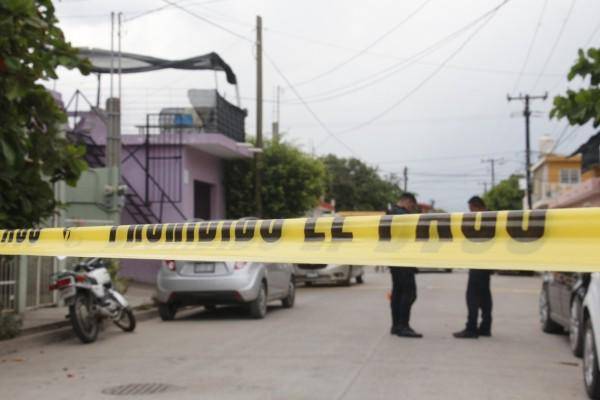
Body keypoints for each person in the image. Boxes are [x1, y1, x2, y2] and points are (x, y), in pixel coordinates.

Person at [453, 196, 493, 339]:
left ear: (477, 207)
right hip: (487, 261)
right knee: (484, 295)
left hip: (480, 261)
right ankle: (485, 326)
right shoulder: (493, 217)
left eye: (471, 210)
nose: (470, 213)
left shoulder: (484, 219)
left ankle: (471, 328)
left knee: (472, 296)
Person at [388, 193, 423, 338]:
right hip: (403, 260)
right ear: (407, 201)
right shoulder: (402, 215)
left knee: (397, 293)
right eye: (411, 206)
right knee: (409, 294)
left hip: (394, 259)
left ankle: (396, 325)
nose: (411, 210)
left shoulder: (389, 213)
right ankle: (403, 326)